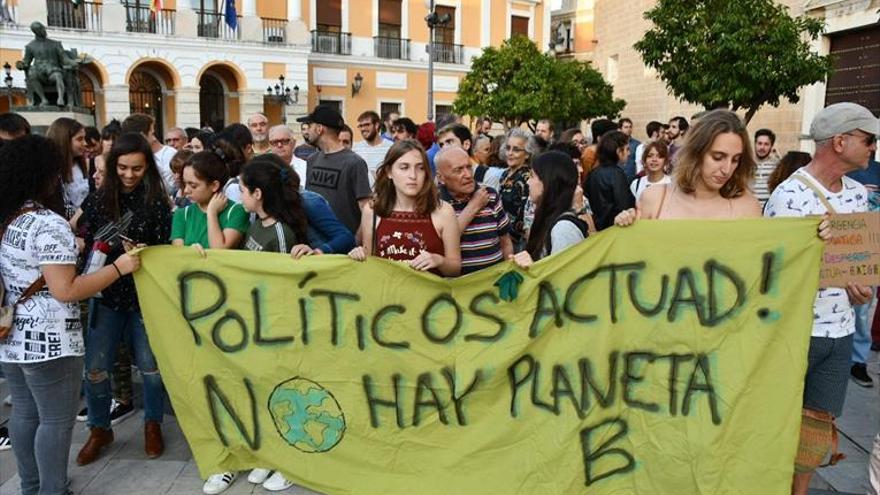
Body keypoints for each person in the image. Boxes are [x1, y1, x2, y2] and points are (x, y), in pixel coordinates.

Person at [0, 135, 141, 495]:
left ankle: (31, 486)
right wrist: (120, 268)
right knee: (56, 420)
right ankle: (52, 489)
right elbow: (67, 290)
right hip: (51, 338)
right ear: (47, 175)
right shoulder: (48, 222)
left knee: (24, 414)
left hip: (10, 332)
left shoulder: (8, 216)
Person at [765, 102, 876, 495]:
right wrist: (822, 268)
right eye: (868, 139)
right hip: (794, 333)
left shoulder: (859, 194)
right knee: (776, 421)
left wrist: (861, 290)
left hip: (841, 331)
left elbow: (859, 269)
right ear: (841, 141)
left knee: (817, 424)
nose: (873, 148)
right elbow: (771, 276)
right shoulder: (789, 196)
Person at [75, 132, 172, 466]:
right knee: (95, 369)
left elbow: (165, 249)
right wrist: (81, 242)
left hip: (145, 297)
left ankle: (153, 424)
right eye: (123, 168)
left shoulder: (157, 201)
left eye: (137, 168)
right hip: (106, 294)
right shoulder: (99, 197)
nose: (130, 175)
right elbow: (83, 234)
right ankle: (99, 429)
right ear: (113, 165)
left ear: (148, 168)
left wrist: (146, 252)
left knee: (150, 367)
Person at [615, 110, 760, 225]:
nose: (727, 169)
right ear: (696, 153)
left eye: (736, 159)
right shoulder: (654, 198)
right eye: (718, 157)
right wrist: (626, 225)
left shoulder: (748, 207)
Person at [348, 140, 461, 276]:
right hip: (387, 294)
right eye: (404, 167)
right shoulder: (372, 211)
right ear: (389, 172)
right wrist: (359, 255)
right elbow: (371, 262)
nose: (413, 176)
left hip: (429, 295)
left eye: (420, 168)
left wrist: (440, 261)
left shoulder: (444, 211)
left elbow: (455, 268)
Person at [435, 146, 512, 274]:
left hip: (495, 282)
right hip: (459, 286)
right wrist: (473, 207)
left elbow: (505, 241)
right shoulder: (435, 203)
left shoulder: (489, 195)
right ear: (441, 178)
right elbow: (439, 246)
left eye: (469, 167)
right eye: (458, 170)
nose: (468, 175)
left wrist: (509, 271)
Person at [299, 104, 372, 234]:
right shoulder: (312, 159)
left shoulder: (355, 163)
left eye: (309, 126)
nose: (306, 131)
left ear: (319, 129)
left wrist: (357, 240)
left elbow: (366, 208)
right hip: (314, 243)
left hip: (345, 245)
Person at [510, 150, 589, 269]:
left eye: (532, 176)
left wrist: (533, 269)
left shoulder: (563, 229)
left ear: (547, 182)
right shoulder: (550, 219)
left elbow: (563, 281)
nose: (528, 182)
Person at [171, 151, 249, 249]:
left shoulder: (237, 211)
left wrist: (212, 213)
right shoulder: (182, 214)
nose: (186, 190)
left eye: (193, 185)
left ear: (214, 186)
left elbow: (219, 249)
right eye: (185, 183)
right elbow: (178, 253)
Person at [584, 130, 635, 230]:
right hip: (614, 229)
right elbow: (624, 206)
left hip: (596, 228)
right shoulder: (617, 174)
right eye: (627, 149)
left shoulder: (593, 172)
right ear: (618, 151)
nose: (629, 153)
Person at [498, 128, 537, 251]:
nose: (510, 153)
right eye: (508, 148)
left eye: (516, 149)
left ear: (527, 154)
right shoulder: (505, 174)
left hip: (518, 241)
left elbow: (527, 213)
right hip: (503, 237)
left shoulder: (528, 177)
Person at [121, 113, 176, 193]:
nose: (154, 139)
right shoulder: (122, 158)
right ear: (142, 136)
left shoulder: (168, 154)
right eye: (152, 134)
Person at [46, 117, 89, 219]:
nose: (85, 143)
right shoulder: (51, 171)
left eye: (84, 138)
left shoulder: (83, 164)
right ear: (64, 140)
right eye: (80, 139)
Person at [352, 110, 393, 188]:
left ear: (377, 125)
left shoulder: (390, 147)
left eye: (367, 125)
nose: (363, 128)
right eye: (360, 126)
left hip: (384, 195)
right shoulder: (355, 148)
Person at [752, 128, 779, 204]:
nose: (762, 147)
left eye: (766, 144)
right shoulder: (747, 164)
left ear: (771, 146)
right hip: (749, 211)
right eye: (759, 143)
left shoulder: (777, 166)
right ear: (755, 143)